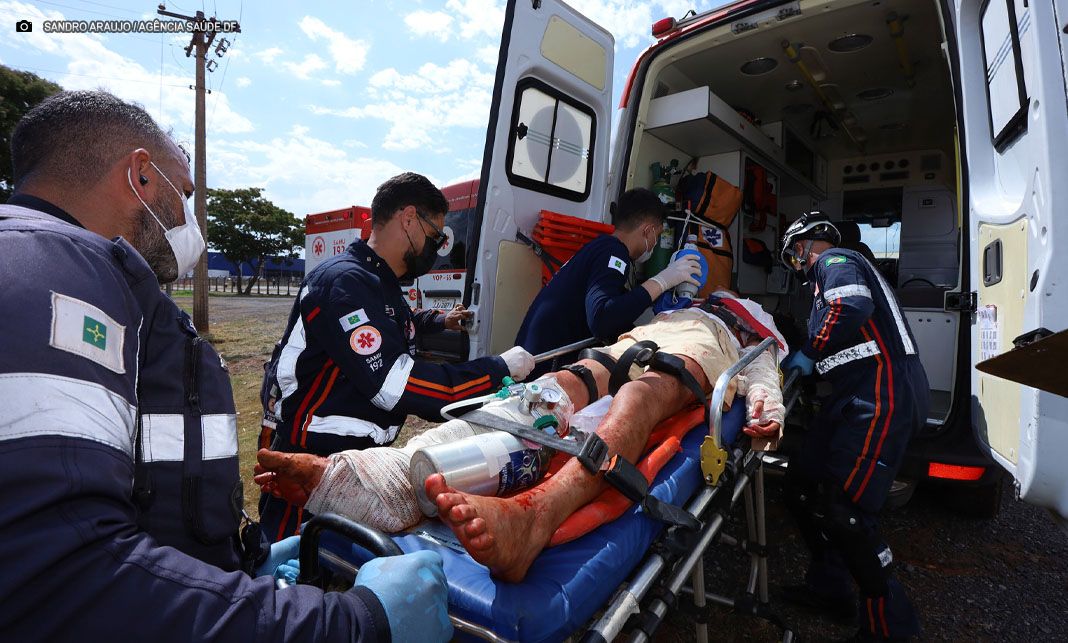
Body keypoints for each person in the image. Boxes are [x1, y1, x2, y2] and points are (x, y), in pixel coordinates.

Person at [0, 90, 450, 642]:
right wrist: (348, 624)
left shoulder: (89, 275)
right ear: (140, 177)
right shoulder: (52, 275)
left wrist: (231, 562)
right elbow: (65, 577)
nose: (190, 219)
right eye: (184, 194)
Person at [256, 291, 787, 582]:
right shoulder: (681, 304)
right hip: (635, 340)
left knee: (639, 399)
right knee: (551, 390)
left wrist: (767, 406)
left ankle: (537, 516)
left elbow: (763, 370)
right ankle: (393, 480)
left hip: (699, 356)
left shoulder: (748, 325)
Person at [259, 172, 535, 541]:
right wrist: (498, 369)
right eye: (435, 236)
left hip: (352, 463)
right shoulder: (345, 283)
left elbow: (399, 327)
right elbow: (396, 384)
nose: (436, 248)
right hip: (309, 466)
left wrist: (439, 320)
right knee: (293, 571)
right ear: (408, 219)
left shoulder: (380, 284)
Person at [777, 212, 928, 641]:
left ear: (806, 244)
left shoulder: (836, 260)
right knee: (801, 486)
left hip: (881, 392)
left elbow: (852, 306)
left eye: (794, 256)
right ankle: (830, 588)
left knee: (847, 514)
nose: (798, 266)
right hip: (853, 394)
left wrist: (810, 350)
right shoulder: (828, 280)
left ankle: (890, 628)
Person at [514, 187, 703, 376]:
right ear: (648, 231)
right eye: (658, 236)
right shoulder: (613, 252)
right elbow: (602, 319)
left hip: (529, 360)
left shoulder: (601, 247)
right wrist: (662, 281)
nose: (655, 243)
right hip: (541, 368)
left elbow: (617, 309)